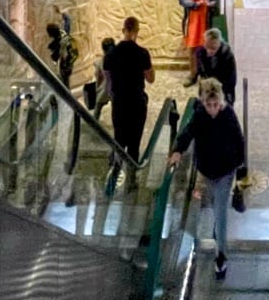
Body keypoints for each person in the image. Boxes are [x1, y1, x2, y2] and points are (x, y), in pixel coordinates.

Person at [173, 77, 246, 280]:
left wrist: (241, 169)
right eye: (208, 105)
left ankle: (221, 254)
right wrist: (178, 150)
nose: (213, 109)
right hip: (207, 170)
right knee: (214, 203)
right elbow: (188, 132)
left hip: (225, 170)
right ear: (203, 102)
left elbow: (239, 142)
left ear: (221, 101)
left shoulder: (228, 115)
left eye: (216, 105)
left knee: (220, 209)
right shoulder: (200, 115)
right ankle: (217, 231)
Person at [102, 16, 155, 170]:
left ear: (123, 30)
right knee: (134, 142)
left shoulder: (110, 55)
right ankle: (131, 179)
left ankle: (115, 173)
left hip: (119, 102)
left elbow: (107, 80)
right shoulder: (142, 53)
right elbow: (150, 78)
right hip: (137, 102)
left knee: (119, 138)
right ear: (137, 31)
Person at [180, 0, 219, 84]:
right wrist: (195, 4)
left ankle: (204, 74)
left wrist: (210, 4)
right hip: (192, 20)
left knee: (205, 48)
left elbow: (216, 0)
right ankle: (193, 74)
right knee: (192, 48)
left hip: (206, 20)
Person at [197, 28, 238, 104]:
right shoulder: (201, 53)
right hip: (207, 92)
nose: (209, 51)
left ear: (219, 44)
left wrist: (218, 93)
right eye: (207, 47)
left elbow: (232, 81)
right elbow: (201, 73)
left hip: (224, 92)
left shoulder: (227, 56)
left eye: (213, 48)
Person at [83, 37, 115, 119]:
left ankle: (94, 124)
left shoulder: (101, 61)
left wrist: (97, 88)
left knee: (98, 108)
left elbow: (98, 76)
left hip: (104, 89)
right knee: (115, 109)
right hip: (116, 89)